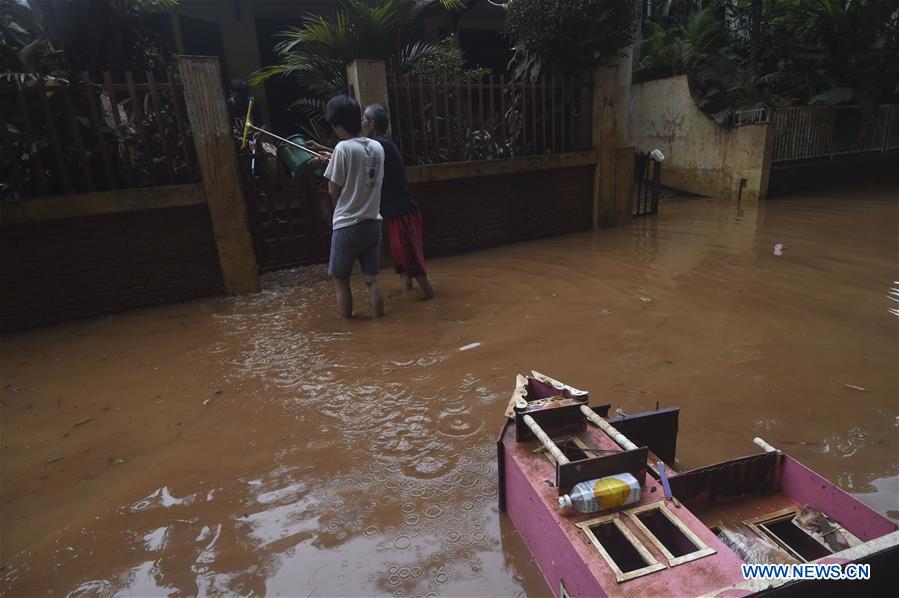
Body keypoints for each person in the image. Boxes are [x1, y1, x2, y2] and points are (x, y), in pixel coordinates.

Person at [321, 95, 386, 319]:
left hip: (347, 226)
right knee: (372, 280)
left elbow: (333, 190)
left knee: (341, 281)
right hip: (373, 224)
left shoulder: (342, 148)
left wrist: (337, 210)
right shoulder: (377, 147)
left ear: (336, 124)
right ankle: (381, 323)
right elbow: (361, 170)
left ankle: (347, 331)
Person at [361, 104, 435, 299]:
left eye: (363, 120)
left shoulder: (379, 146)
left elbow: (353, 158)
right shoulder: (381, 146)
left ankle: (432, 301)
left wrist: (329, 156)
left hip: (403, 214)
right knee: (402, 264)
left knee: (414, 265)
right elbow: (353, 157)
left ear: (371, 124)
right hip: (395, 213)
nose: (361, 124)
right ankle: (410, 296)